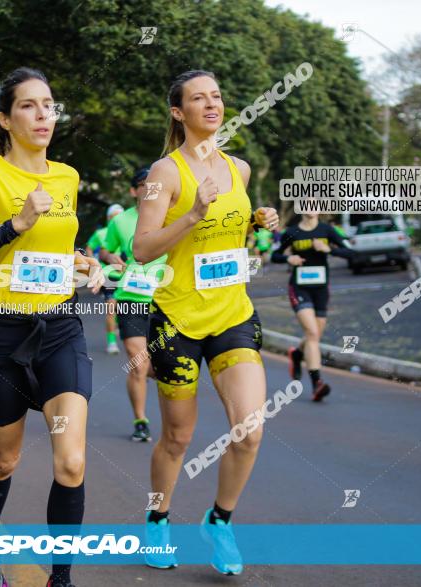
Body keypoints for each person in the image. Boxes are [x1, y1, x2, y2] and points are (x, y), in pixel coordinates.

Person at [0, 67, 102, 587]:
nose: (43, 114)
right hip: (6, 336)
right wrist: (15, 226)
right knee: (3, 459)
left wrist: (84, 262)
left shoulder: (69, 177)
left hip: (60, 328)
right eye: (29, 106)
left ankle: (61, 578)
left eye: (49, 104)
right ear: (6, 120)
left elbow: (55, 251)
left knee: (71, 460)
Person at [132, 70, 278, 576]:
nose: (211, 104)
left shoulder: (238, 167)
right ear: (179, 112)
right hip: (178, 321)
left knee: (250, 429)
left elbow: (232, 237)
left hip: (233, 315)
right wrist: (192, 214)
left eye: (216, 95)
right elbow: (142, 247)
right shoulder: (164, 173)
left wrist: (256, 221)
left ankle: (219, 520)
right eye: (198, 98)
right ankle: (157, 519)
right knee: (177, 438)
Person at [98, 166, 167, 442]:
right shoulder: (120, 221)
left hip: (165, 300)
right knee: (139, 364)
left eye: (155, 183)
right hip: (131, 299)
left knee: (160, 366)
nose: (150, 188)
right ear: (134, 190)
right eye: (144, 183)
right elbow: (106, 249)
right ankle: (141, 420)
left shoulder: (171, 216)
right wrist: (111, 257)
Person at [271, 212, 353, 401]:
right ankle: (317, 383)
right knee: (312, 333)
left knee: (313, 335)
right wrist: (287, 259)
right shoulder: (291, 232)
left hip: (321, 288)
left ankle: (298, 354)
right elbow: (274, 254)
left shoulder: (327, 230)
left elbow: (350, 252)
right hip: (299, 287)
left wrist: (328, 249)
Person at [87, 204, 124, 354]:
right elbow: (89, 247)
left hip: (129, 275)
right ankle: (112, 343)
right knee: (111, 307)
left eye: (119, 216)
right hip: (109, 275)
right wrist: (94, 264)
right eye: (114, 216)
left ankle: (117, 324)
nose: (117, 219)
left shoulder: (129, 231)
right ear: (109, 218)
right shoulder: (101, 234)